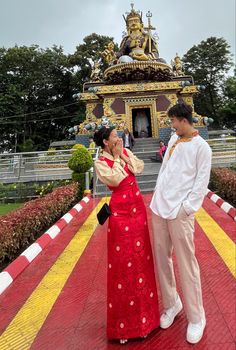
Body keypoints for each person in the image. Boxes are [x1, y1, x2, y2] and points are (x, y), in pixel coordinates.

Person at [150, 103, 212, 344]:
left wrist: (186, 209)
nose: (171, 125)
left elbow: (200, 184)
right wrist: (156, 197)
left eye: (173, 121)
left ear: (183, 120)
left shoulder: (202, 148)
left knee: (187, 263)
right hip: (159, 208)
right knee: (162, 260)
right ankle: (172, 303)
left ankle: (197, 317)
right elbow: (164, 172)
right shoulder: (174, 142)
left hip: (179, 212)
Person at [94, 127, 160, 344]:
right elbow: (115, 180)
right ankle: (124, 328)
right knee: (123, 265)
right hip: (120, 214)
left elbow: (138, 168)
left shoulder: (124, 153)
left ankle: (146, 322)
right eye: (114, 136)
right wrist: (116, 157)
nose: (118, 139)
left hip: (137, 209)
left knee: (142, 260)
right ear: (105, 141)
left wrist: (122, 155)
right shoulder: (101, 163)